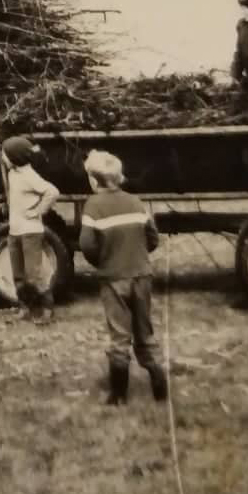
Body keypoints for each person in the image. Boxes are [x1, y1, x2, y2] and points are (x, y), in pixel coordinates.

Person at [79, 149, 167, 407]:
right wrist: (138, 255)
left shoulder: (93, 205)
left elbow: (87, 245)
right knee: (144, 329)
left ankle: (118, 394)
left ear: (94, 181)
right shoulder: (136, 201)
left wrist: (103, 261)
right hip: (142, 275)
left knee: (119, 333)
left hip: (113, 277)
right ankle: (159, 384)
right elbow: (152, 238)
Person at [1, 137, 60, 323]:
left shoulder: (29, 176)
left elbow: (52, 191)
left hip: (30, 232)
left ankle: (47, 309)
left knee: (34, 274)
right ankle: (24, 307)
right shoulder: (13, 173)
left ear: (15, 158)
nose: (2, 157)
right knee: (18, 274)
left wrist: (38, 211)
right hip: (15, 231)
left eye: (5, 154)